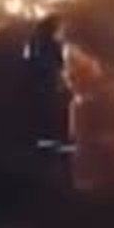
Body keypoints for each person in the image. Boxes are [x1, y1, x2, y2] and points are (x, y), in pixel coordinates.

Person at [23, 13, 74, 156]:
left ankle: (48, 147)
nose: (61, 29)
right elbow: (59, 67)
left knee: (48, 117)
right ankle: (56, 147)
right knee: (55, 115)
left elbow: (28, 62)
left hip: (41, 86)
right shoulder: (50, 45)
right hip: (47, 85)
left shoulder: (33, 43)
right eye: (59, 27)